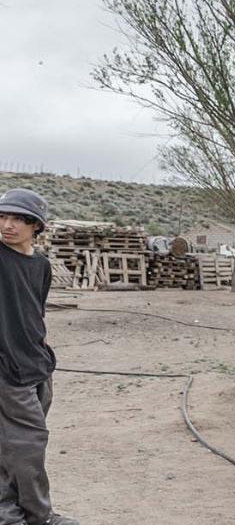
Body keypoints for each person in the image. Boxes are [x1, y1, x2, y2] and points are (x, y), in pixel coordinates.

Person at [0, 189, 78, 525]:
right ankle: (39, 516)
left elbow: (35, 312)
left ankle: (7, 512)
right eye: (2, 217)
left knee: (11, 445)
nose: (7, 224)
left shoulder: (40, 266)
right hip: (8, 369)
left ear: (36, 226)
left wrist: (42, 351)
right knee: (31, 442)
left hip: (38, 365)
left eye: (18, 218)